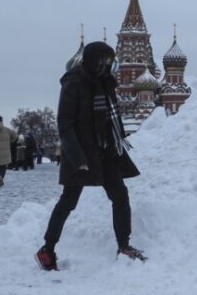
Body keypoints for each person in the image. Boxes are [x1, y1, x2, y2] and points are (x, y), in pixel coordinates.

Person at [35, 42, 146, 271]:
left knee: (120, 196)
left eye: (109, 60)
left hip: (106, 151)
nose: (106, 65)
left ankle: (123, 245)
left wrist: (114, 144)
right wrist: (78, 157)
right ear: (92, 59)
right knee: (68, 202)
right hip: (82, 154)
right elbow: (65, 123)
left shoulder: (106, 82)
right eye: (103, 60)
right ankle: (47, 249)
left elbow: (110, 117)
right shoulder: (73, 82)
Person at [0, 115, 18, 187]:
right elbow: (15, 136)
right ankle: (1, 176)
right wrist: (9, 141)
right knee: (3, 166)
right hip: (5, 152)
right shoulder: (7, 130)